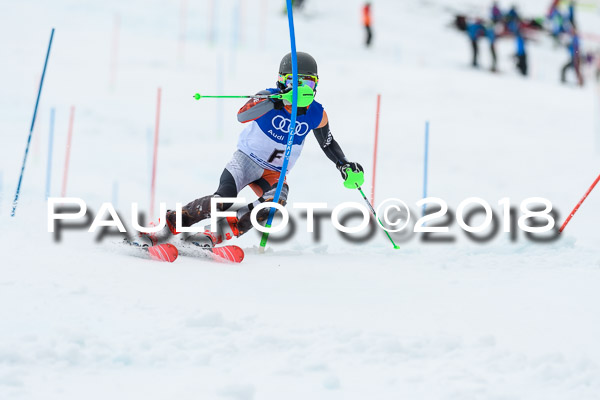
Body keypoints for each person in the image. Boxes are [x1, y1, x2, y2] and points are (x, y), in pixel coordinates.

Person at [143, 52, 364, 247]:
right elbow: (242, 115)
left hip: (274, 172)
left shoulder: (316, 113)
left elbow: (328, 142)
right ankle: (171, 223)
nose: (303, 90)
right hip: (245, 161)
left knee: (274, 205)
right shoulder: (268, 97)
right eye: (295, 83)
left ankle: (223, 229)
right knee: (222, 201)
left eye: (309, 84)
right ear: (281, 82)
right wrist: (273, 102)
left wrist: (343, 164)